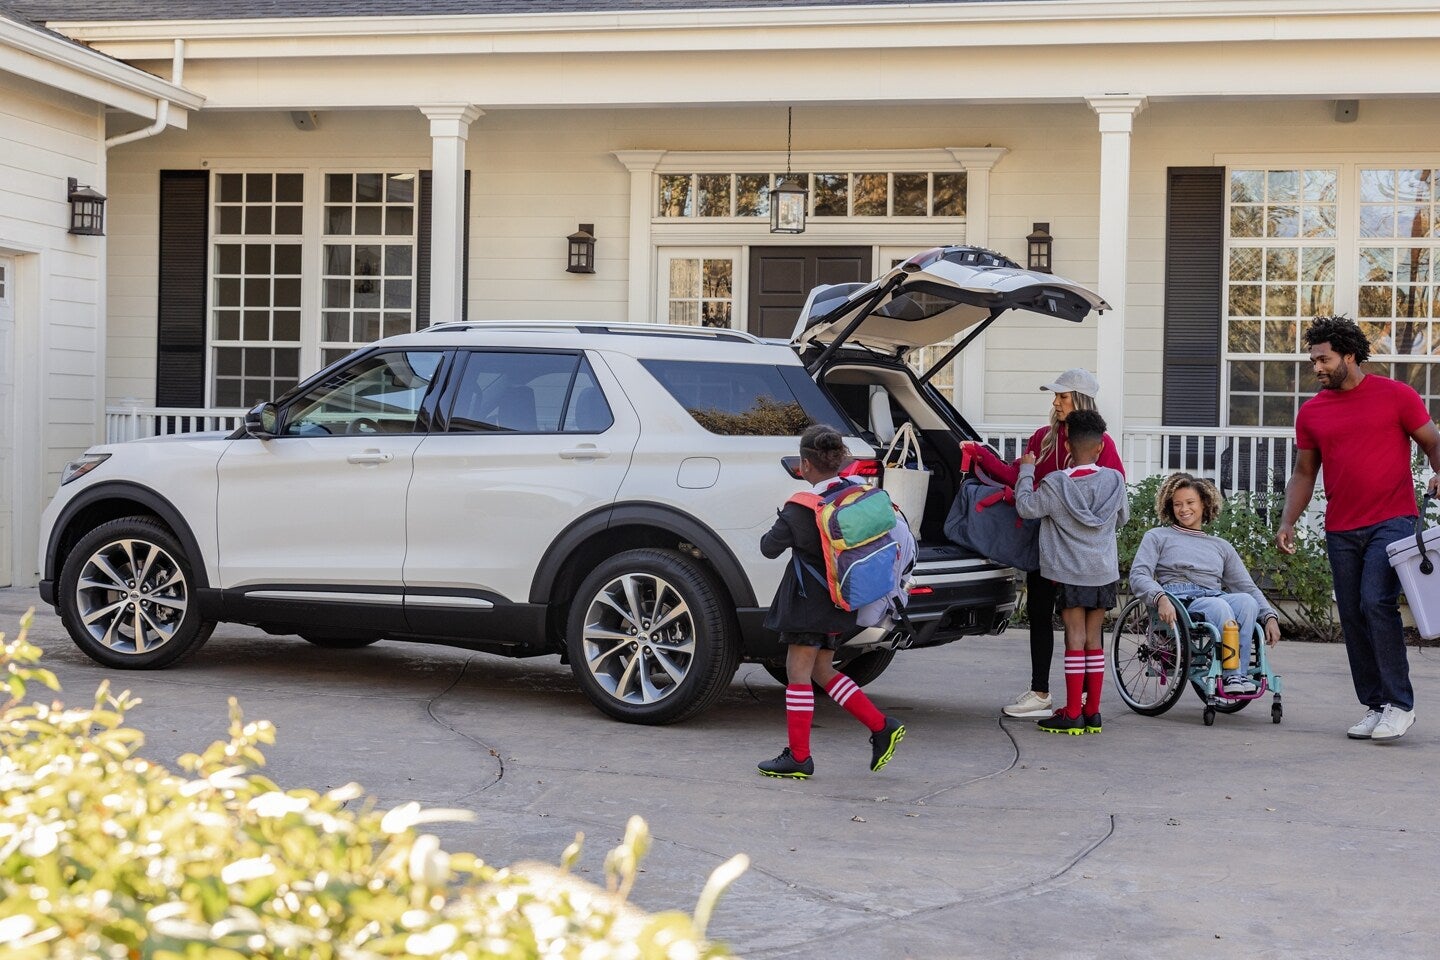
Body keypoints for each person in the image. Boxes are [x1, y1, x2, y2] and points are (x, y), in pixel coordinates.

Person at [1277, 316, 1440, 743]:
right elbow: (1304, 472)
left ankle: (1400, 705)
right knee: (1351, 615)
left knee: (1375, 602)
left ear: (1350, 355)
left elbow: (1433, 441)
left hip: (1394, 519)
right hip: (1341, 528)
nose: (1317, 367)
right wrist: (1287, 520)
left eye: (1324, 359)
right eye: (1313, 360)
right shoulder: (1312, 412)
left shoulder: (1396, 396)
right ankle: (1376, 704)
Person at [959, 368, 1125, 719]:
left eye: (1062, 396)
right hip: (1046, 546)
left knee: (1075, 631)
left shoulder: (1101, 444)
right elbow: (1017, 472)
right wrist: (981, 455)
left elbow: (1103, 494)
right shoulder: (1043, 437)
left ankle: (1077, 703)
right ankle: (1042, 693)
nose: (1055, 402)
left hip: (1076, 553)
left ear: (1079, 399)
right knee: (1039, 614)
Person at [756, 423, 907, 779]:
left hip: (807, 604)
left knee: (798, 673)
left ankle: (799, 756)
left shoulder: (801, 507)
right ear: (838, 460)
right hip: (844, 598)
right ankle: (881, 726)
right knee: (823, 670)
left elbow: (768, 547)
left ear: (805, 465)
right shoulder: (853, 494)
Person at [1013, 409, 1129, 734]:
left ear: (1066, 447)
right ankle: (1093, 713)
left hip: (1070, 572)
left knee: (1074, 638)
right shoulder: (1115, 481)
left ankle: (1072, 712)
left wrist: (1026, 471)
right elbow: (1122, 519)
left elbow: (1026, 506)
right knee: (1094, 639)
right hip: (1103, 572)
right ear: (1099, 448)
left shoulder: (1054, 485)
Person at [1130, 473, 1282, 694]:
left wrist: (1269, 616)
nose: (1184, 509)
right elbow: (1139, 575)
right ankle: (1232, 678)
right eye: (1177, 504)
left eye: (1190, 503)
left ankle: (1236, 676)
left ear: (1204, 504)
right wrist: (1159, 597)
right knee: (1220, 607)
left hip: (1213, 595)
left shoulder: (1220, 546)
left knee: (1247, 602)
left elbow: (1246, 586)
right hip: (1179, 599)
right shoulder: (1157, 536)